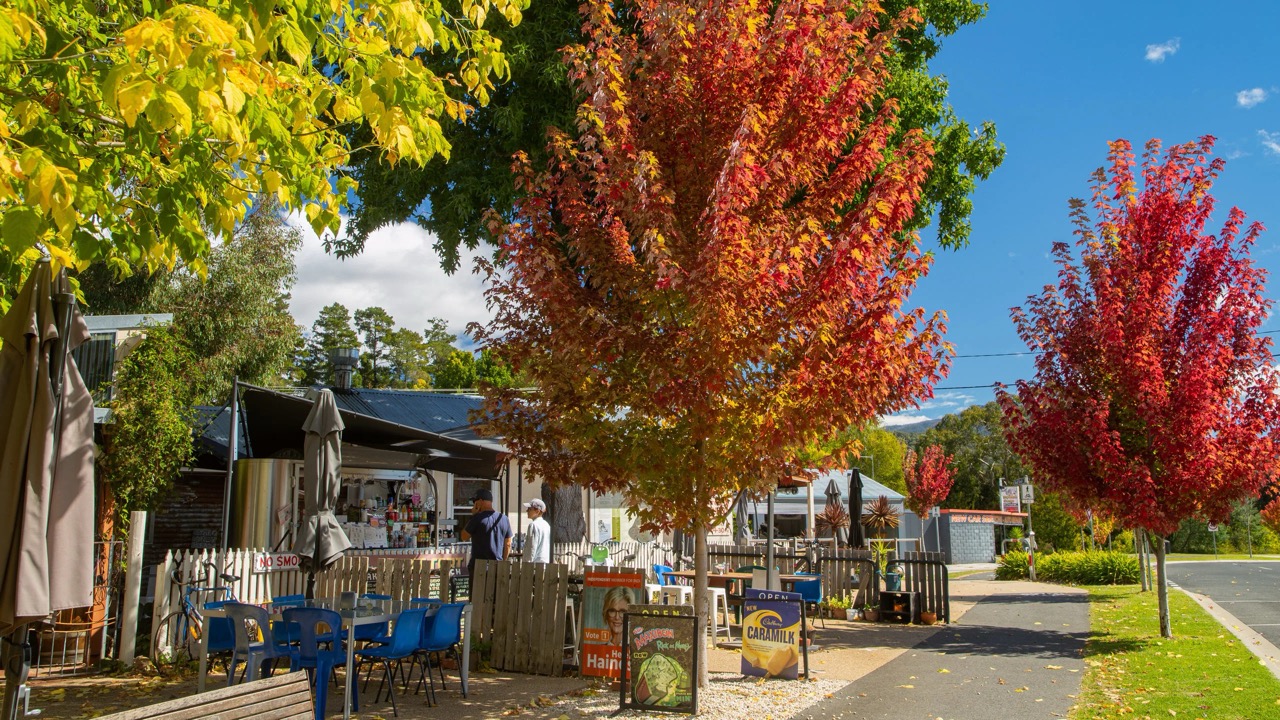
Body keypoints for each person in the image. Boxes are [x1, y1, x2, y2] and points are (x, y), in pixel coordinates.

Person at [460, 488, 511, 575]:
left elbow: (463, 537)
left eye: (474, 502)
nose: (473, 505)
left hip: (479, 566)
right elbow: (508, 544)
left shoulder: (477, 518)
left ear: (480, 501)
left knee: (477, 589)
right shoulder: (503, 518)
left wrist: (473, 516)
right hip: (497, 566)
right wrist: (503, 561)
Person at [523, 498, 551, 563]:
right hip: (546, 562)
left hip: (536, 565)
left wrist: (527, 563)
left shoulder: (533, 525)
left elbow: (532, 547)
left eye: (530, 509)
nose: (527, 511)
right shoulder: (547, 525)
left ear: (537, 511)